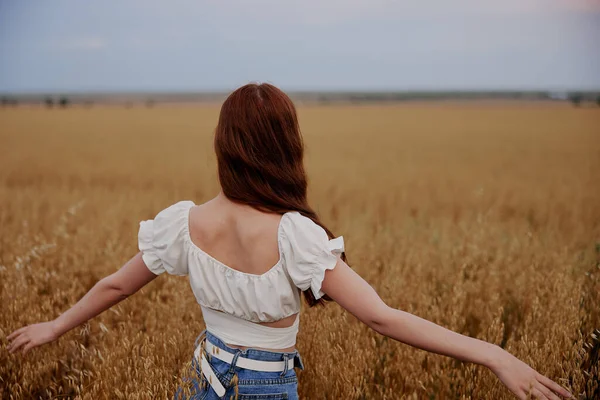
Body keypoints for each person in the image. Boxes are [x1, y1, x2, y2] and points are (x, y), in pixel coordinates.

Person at [7, 83, 572, 400]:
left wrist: (55, 326)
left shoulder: (184, 222)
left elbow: (115, 284)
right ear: (286, 147)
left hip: (199, 378)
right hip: (264, 388)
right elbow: (382, 318)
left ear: (225, 147)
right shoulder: (295, 236)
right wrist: (494, 354)